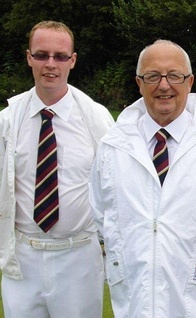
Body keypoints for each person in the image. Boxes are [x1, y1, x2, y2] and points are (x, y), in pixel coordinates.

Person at [89, 39, 196, 317]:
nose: (164, 85)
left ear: (190, 81)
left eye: (174, 75)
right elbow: (103, 216)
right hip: (136, 299)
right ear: (139, 83)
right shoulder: (112, 147)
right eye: (152, 76)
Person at [0, 21, 114, 317]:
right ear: (29, 57)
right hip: (22, 260)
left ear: (72, 60)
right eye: (42, 55)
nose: (51, 64)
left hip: (78, 258)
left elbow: (116, 187)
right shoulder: (8, 121)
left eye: (60, 56)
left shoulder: (96, 119)